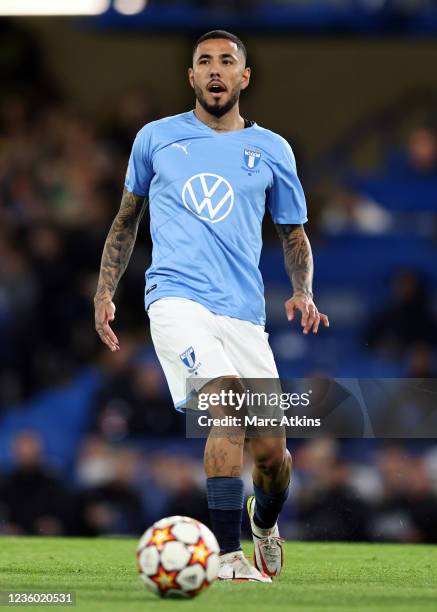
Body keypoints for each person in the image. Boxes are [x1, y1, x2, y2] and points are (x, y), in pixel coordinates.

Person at [94, 30, 329, 582]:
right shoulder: (156, 139)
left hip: (244, 314)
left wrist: (303, 291)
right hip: (175, 299)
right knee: (223, 405)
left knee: (273, 458)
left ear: (244, 77)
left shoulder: (272, 148)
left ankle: (264, 524)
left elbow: (294, 235)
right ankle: (226, 555)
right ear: (192, 77)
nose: (216, 70)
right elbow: (127, 219)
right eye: (205, 61)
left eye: (227, 61)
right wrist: (105, 289)